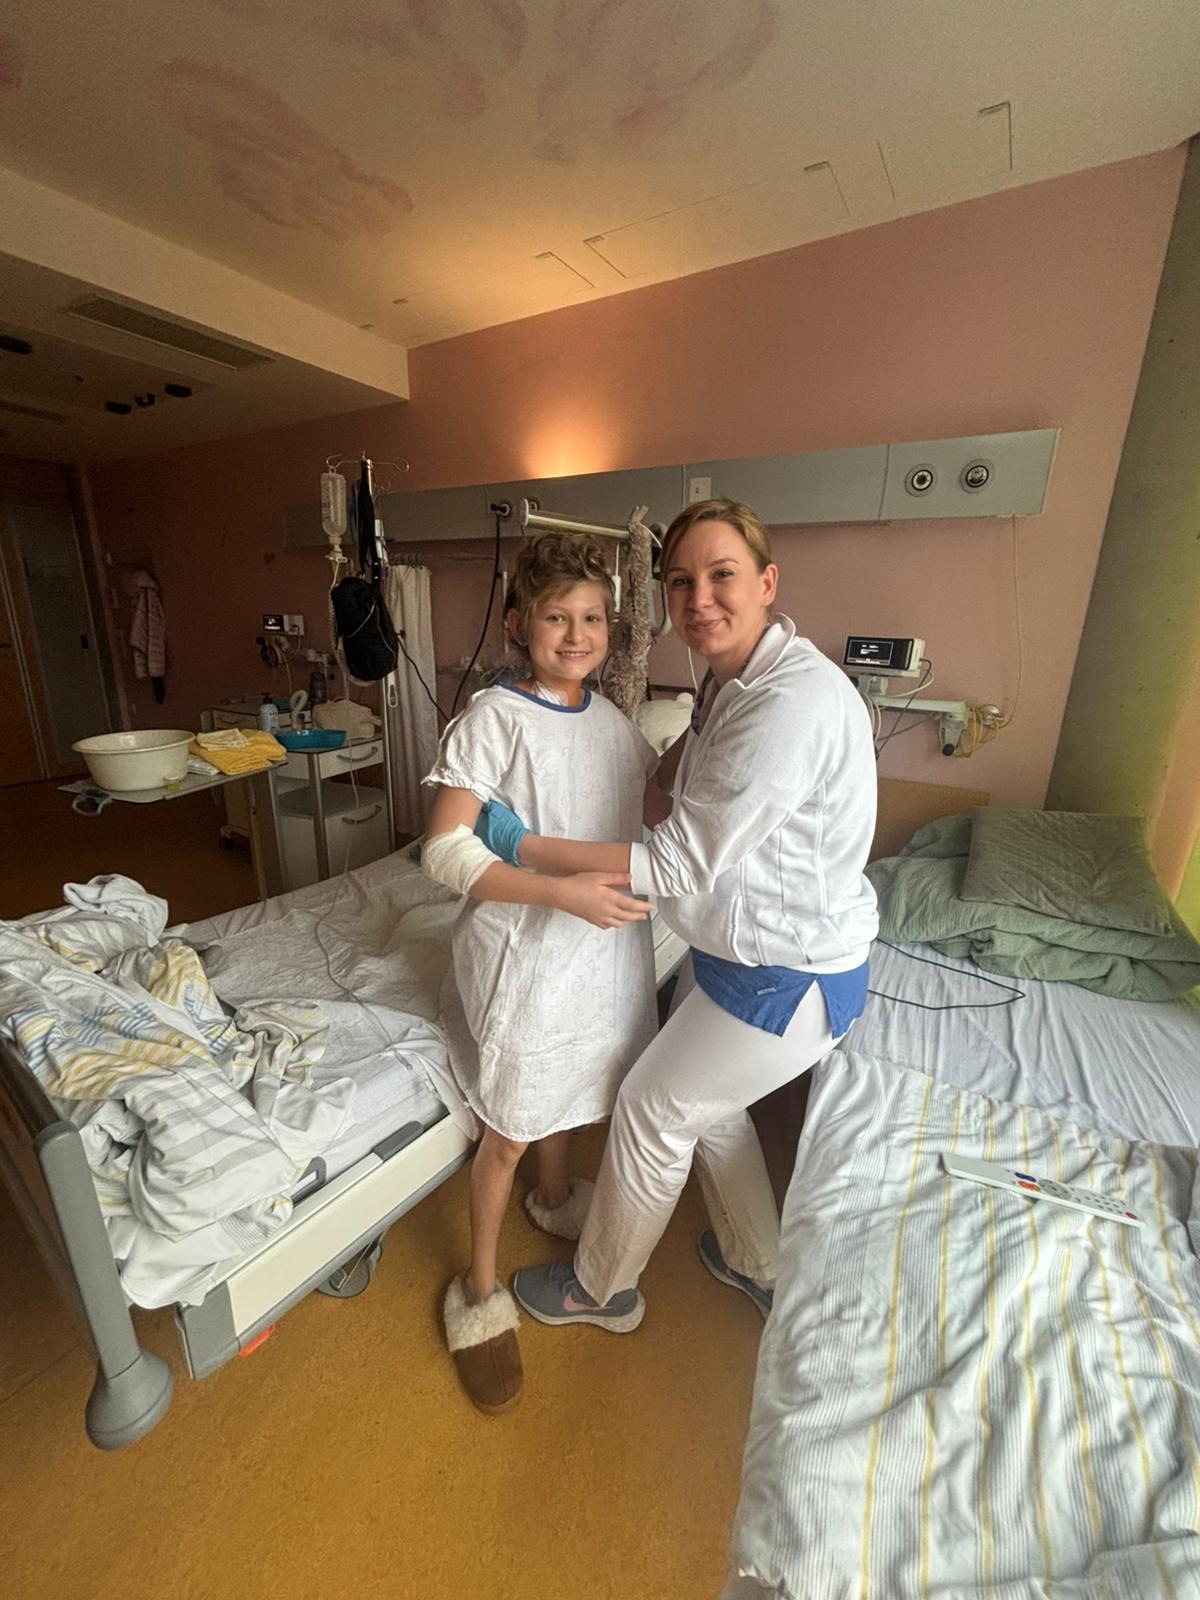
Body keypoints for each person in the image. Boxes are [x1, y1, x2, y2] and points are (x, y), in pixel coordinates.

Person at [475, 499, 879, 1332]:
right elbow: (673, 780)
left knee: (653, 1107)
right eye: (681, 581)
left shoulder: (790, 705)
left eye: (722, 576)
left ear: (766, 583)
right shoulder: (729, 680)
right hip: (738, 953)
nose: (700, 600)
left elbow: (675, 864)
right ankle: (758, 1264)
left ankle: (601, 1290)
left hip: (787, 972)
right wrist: (648, 776)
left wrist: (525, 845)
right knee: (711, 1108)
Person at [420, 533, 657, 1414]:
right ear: (520, 623)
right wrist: (557, 892)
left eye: (592, 618)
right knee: (511, 1127)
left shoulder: (617, 727)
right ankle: (479, 1289)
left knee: (575, 1081)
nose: (577, 635)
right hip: (526, 947)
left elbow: (638, 824)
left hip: (602, 950)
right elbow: (444, 848)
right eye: (558, 617)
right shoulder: (494, 719)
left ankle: (554, 1195)